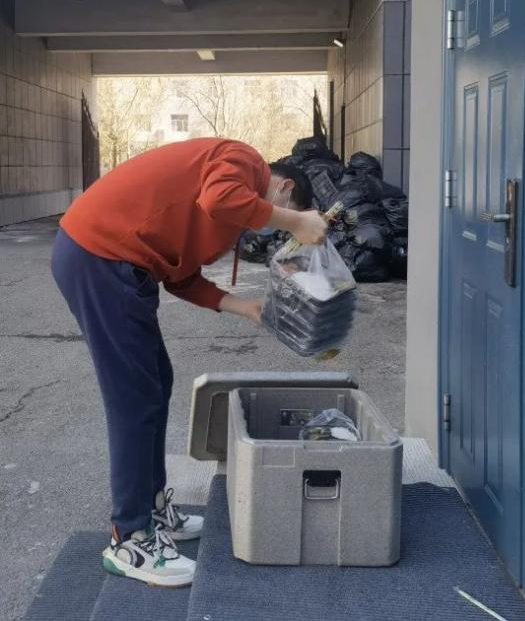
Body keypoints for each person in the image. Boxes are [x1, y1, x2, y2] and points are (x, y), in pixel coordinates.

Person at [51, 137, 326, 588]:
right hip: (99, 255)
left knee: (157, 381)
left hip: (117, 263)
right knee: (133, 399)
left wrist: (245, 307)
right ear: (284, 187)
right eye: (284, 218)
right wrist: (298, 221)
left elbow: (181, 278)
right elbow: (220, 198)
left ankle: (152, 507)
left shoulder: (229, 218)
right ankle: (130, 538)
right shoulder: (243, 162)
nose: (275, 229)